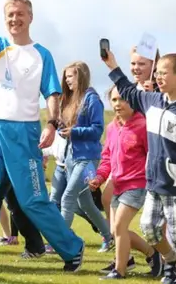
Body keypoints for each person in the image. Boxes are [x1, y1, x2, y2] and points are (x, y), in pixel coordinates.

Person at [0, 0, 84, 273]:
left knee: (32, 200)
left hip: (24, 133)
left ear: (30, 17)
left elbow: (52, 92)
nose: (14, 19)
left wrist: (51, 123)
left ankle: (72, 248)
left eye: (20, 14)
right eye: (9, 15)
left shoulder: (42, 54)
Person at [102, 49, 176, 284]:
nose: (158, 77)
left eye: (164, 73)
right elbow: (129, 91)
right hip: (154, 182)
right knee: (148, 228)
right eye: (157, 73)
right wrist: (112, 66)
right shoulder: (152, 100)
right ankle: (169, 259)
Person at [88, 85, 164, 279]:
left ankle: (120, 271)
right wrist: (99, 177)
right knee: (114, 230)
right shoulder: (111, 128)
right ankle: (153, 254)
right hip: (117, 185)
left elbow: (154, 155)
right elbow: (107, 158)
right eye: (114, 100)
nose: (118, 104)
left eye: (122, 99)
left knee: (120, 226)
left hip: (137, 184)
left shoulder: (144, 125)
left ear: (134, 101)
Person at [0, 60, 46, 258]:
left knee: (7, 201)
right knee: (12, 203)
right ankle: (35, 245)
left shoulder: (15, 92)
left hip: (15, 157)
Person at [56, 61, 113, 251]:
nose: (67, 80)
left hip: (88, 158)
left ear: (81, 76)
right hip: (72, 157)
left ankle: (62, 243)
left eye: (70, 76)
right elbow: (66, 128)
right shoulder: (70, 100)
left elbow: (97, 129)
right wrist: (62, 129)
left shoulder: (92, 99)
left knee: (68, 197)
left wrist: (74, 131)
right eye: (65, 77)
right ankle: (109, 237)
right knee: (85, 202)